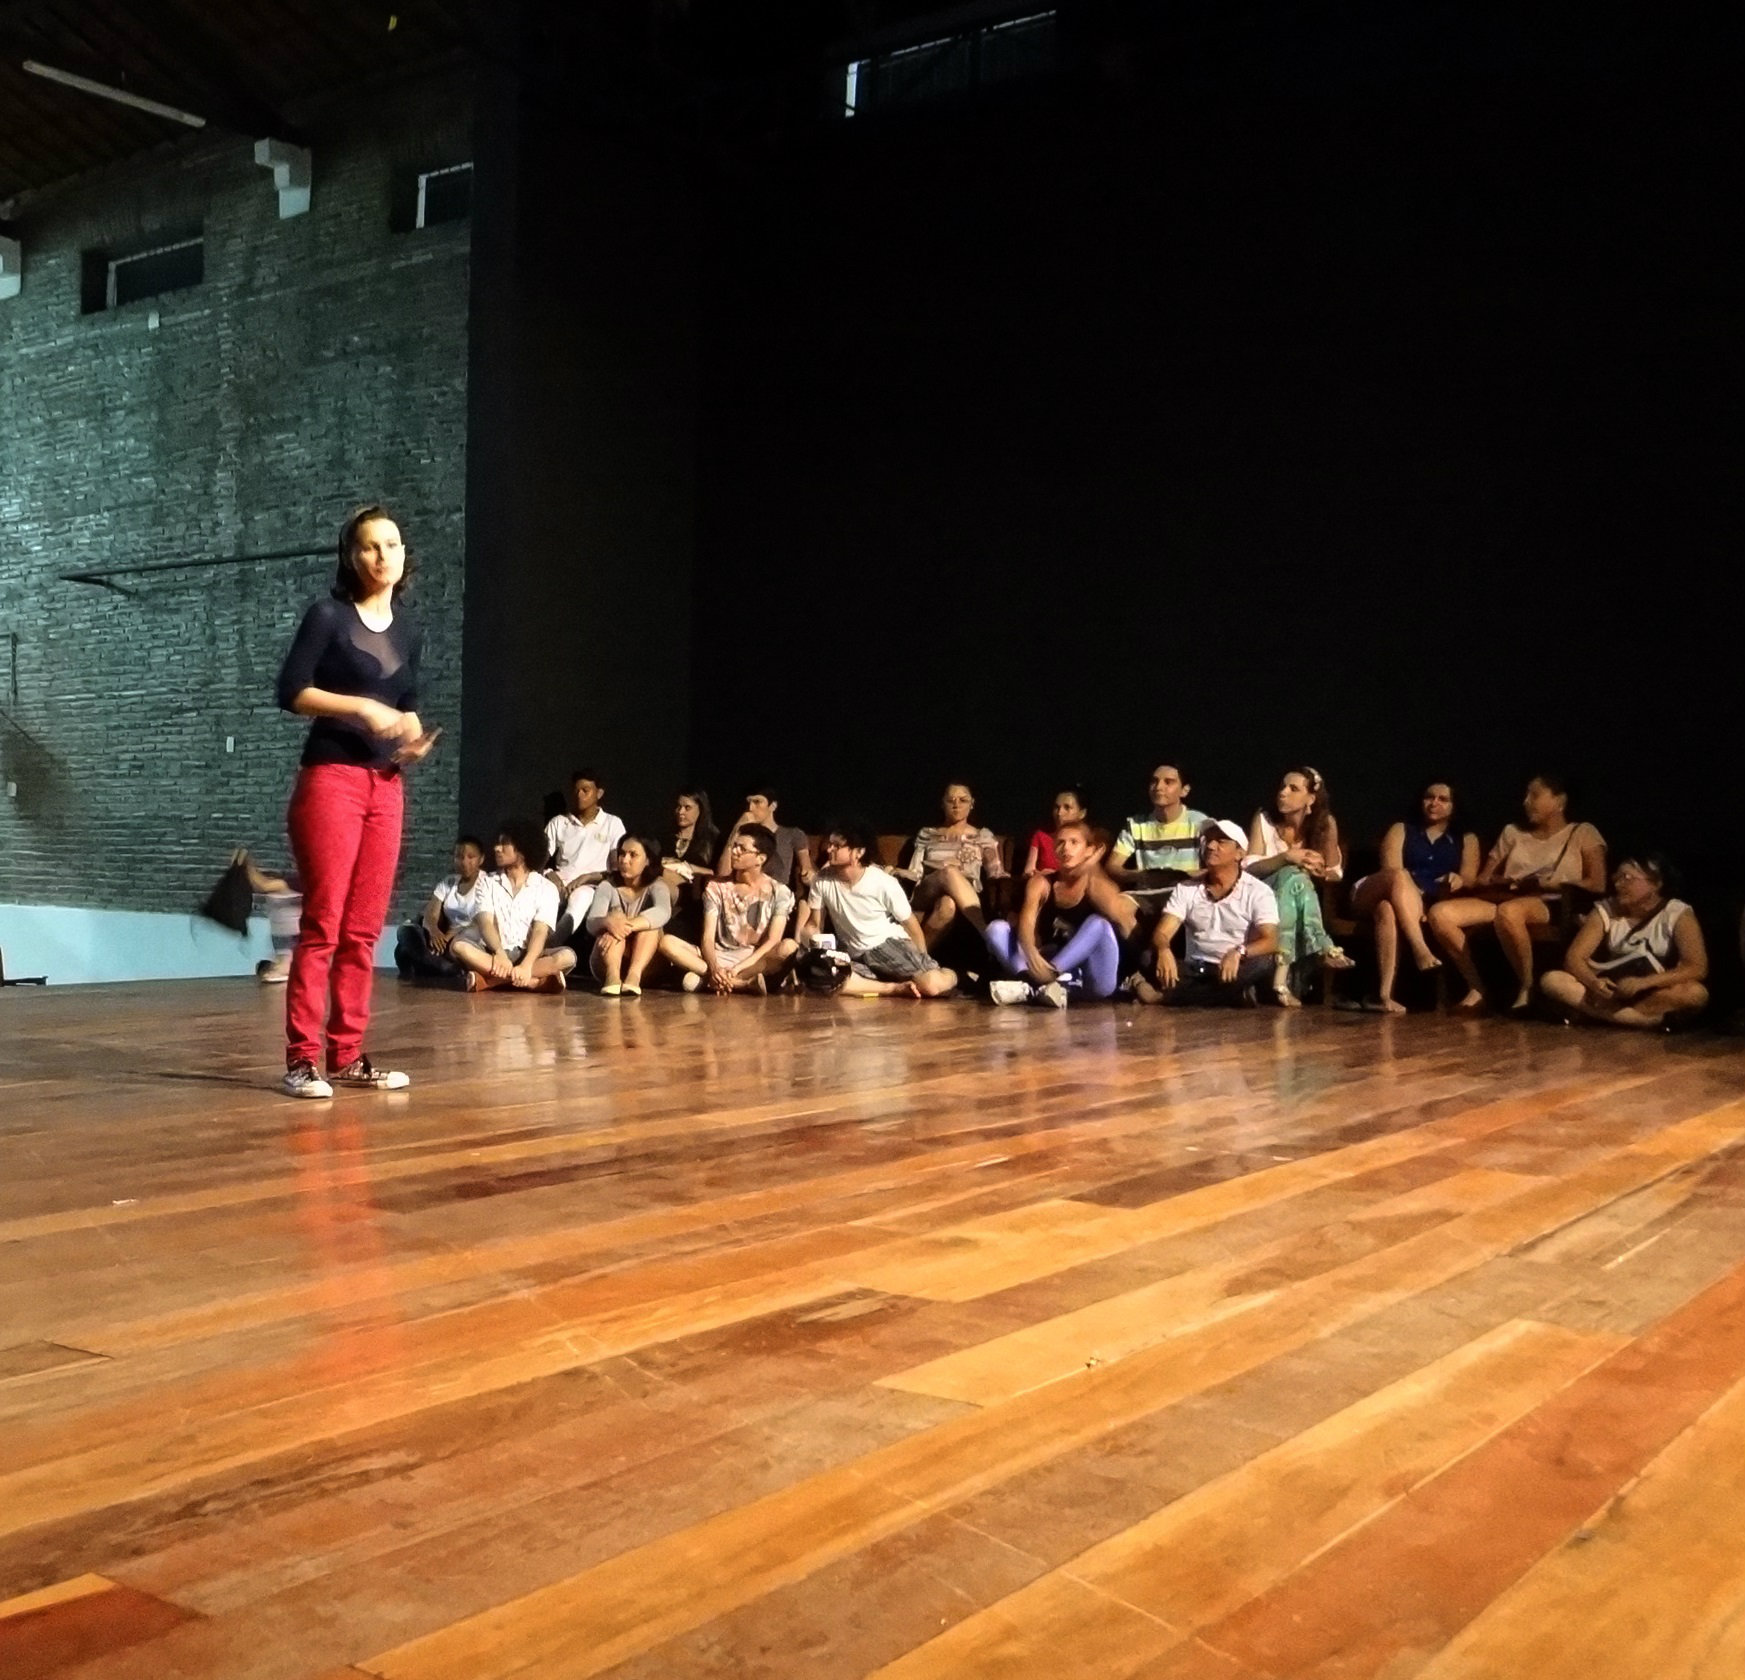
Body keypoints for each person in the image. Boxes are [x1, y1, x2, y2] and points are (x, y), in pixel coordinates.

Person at [274, 503, 437, 1098]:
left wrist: (411, 736)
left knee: (364, 929)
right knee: (323, 924)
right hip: (331, 779)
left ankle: (346, 1054)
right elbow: (290, 690)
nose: (382, 555)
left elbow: (408, 701)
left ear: (404, 555)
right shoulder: (328, 616)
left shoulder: (410, 629)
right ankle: (302, 1060)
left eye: (391, 545)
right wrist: (363, 708)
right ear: (352, 556)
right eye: (370, 546)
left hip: (385, 784)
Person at [1427, 773, 1607, 1014]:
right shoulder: (1512, 832)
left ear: (1559, 801)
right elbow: (1484, 878)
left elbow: (1597, 883)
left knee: (1509, 912)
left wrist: (1551, 883)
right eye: (1526, 795)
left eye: (1534, 795)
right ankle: (1477, 987)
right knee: (1439, 913)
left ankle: (1528, 986)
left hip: (1550, 902)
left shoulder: (1582, 832)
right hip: (1507, 897)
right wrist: (1507, 881)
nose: (1526, 802)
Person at [1347, 782, 1482, 1013]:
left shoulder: (1465, 839)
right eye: (1429, 797)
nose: (1434, 803)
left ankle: (1384, 995)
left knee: (1386, 910)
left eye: (1442, 799)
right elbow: (1390, 870)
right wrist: (1414, 891)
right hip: (1374, 890)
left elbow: (1469, 877)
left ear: (1454, 806)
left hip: (1412, 903)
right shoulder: (1402, 829)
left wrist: (1457, 878)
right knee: (1400, 876)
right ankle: (1420, 949)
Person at [1540, 855, 1708, 1029]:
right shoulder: (1605, 909)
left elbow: (1696, 967)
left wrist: (1643, 983)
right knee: (1553, 980)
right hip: (1608, 990)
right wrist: (1594, 983)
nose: (1619, 884)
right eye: (1617, 879)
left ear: (1656, 884)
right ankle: (1646, 1021)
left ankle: (1600, 1015)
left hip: (1650, 991)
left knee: (1696, 993)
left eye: (1627, 878)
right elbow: (1574, 958)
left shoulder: (1677, 913)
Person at [796, 820, 958, 998]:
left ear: (858, 852)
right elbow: (815, 923)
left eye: (837, 846)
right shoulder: (822, 880)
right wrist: (811, 939)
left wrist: (923, 961)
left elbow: (911, 924)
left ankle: (956, 976)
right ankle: (893, 988)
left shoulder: (882, 882)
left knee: (930, 985)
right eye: (830, 844)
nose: (829, 849)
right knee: (825, 978)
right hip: (854, 954)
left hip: (886, 945)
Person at [1135, 819, 1280, 1006]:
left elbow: (1271, 940)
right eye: (1209, 840)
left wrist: (1239, 952)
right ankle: (1233, 997)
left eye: (1221, 842)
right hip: (1197, 968)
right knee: (1149, 957)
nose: (1211, 846)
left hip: (1235, 966)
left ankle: (1165, 997)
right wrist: (1164, 949)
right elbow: (1162, 933)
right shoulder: (1187, 888)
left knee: (1263, 963)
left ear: (1239, 853)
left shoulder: (1258, 891)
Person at [1243, 766, 1354, 1006]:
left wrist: (1316, 869)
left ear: (1311, 799)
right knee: (1291, 874)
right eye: (1282, 787)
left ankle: (1280, 983)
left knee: (1296, 879)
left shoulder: (1325, 824)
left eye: (1293, 789)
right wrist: (1286, 858)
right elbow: (1250, 868)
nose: (1283, 793)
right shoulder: (1264, 819)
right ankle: (1321, 945)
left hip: (1298, 898)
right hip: (1263, 891)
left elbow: (1335, 873)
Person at [986, 821, 1128, 1006]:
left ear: (1089, 850)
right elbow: (1026, 922)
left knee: (1099, 923)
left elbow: (1120, 922)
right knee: (996, 929)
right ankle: (1034, 984)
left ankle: (1039, 983)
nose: (1065, 848)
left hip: (1090, 979)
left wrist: (1090, 866)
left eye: (1074, 842)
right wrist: (1031, 954)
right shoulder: (1042, 882)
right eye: (1060, 843)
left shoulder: (1097, 885)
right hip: (1045, 965)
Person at [659, 826, 798, 994]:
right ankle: (740, 984)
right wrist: (714, 967)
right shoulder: (716, 887)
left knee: (789, 946)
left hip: (752, 959)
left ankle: (715, 981)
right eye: (735, 846)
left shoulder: (780, 892)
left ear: (760, 858)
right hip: (719, 955)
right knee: (667, 943)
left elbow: (773, 940)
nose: (735, 852)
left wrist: (739, 967)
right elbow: (708, 937)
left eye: (742, 849)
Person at [449, 822, 576, 993]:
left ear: (523, 849)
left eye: (504, 844)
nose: (497, 848)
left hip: (530, 955)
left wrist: (527, 964)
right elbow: (485, 923)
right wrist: (499, 953)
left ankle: (491, 981)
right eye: (498, 843)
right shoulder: (487, 883)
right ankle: (534, 983)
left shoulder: (546, 888)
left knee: (568, 957)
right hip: (494, 954)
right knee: (458, 946)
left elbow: (540, 931)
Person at [900, 781, 1007, 948]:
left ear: (972, 804)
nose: (956, 805)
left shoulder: (981, 836)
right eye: (951, 800)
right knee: (949, 872)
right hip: (928, 889)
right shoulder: (928, 834)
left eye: (963, 800)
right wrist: (895, 872)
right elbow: (915, 871)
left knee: (947, 906)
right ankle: (988, 936)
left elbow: (996, 871)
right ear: (942, 804)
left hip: (966, 892)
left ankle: (917, 956)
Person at [582, 834, 673, 996]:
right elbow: (591, 922)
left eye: (633, 855)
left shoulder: (657, 886)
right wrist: (608, 922)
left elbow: (663, 911)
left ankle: (633, 976)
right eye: (622, 854)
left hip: (646, 968)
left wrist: (624, 926)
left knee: (650, 928)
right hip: (606, 961)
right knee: (613, 920)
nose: (624, 860)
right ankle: (613, 977)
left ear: (648, 860)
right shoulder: (607, 886)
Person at [1106, 764, 1209, 903]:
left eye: (1168, 782)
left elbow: (1219, 865)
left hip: (1187, 895)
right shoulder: (1135, 824)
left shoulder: (1200, 823)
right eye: (1154, 781)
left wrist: (1185, 876)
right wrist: (1143, 876)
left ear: (1184, 790)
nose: (1158, 787)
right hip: (1146, 897)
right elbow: (1112, 867)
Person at [395, 835, 489, 982]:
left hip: (466, 940)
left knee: (403, 951)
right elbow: (431, 913)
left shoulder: (488, 884)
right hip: (443, 939)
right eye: (459, 857)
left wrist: (449, 936)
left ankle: (437, 966)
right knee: (405, 931)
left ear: (481, 859)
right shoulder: (449, 882)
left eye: (471, 857)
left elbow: (483, 921)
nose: (464, 862)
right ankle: (440, 966)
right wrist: (434, 931)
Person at [544, 768, 625, 912]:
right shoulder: (559, 822)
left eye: (585, 791)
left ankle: (561, 929)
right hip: (560, 883)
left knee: (580, 897)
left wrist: (587, 878)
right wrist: (549, 873)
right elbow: (538, 859)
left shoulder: (612, 823)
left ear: (599, 793)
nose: (579, 795)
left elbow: (616, 869)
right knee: (541, 894)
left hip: (592, 885)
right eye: (576, 791)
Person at [714, 785, 815, 896]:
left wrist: (807, 874)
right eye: (749, 803)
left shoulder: (792, 834)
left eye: (757, 802)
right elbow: (722, 873)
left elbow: (806, 866)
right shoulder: (741, 838)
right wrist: (737, 829)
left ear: (773, 806)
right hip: (744, 893)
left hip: (777, 893)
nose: (751, 808)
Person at [1022, 786, 1090, 877]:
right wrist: (1041, 875)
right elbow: (1028, 871)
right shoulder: (1041, 837)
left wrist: (1053, 874)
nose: (1059, 813)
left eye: (1067, 807)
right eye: (1057, 807)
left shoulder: (1088, 841)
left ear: (1082, 813)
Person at [662, 788, 719, 892]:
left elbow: (717, 874)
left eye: (687, 808)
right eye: (678, 807)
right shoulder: (664, 837)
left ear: (700, 809)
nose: (680, 812)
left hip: (697, 893)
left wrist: (688, 868)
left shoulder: (712, 840)